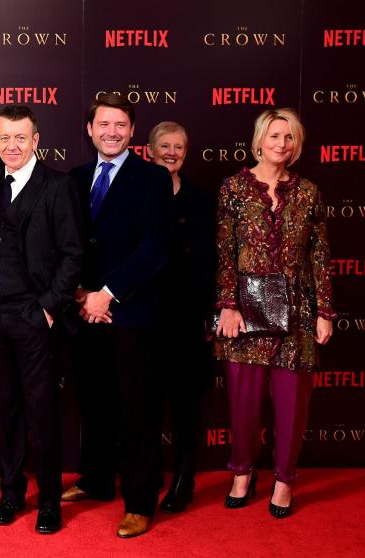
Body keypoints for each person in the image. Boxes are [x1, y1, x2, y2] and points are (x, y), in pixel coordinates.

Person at [215, 108, 334, 519]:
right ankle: (242, 474)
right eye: (274, 135)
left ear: (296, 143)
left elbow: (319, 256)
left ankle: (284, 480)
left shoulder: (309, 192)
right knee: (243, 401)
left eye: (289, 137)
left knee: (291, 402)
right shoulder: (233, 188)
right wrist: (228, 306)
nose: (281, 144)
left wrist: (325, 312)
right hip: (247, 307)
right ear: (259, 139)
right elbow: (225, 253)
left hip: (299, 309)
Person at [63, 93, 172, 538]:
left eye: (120, 125)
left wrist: (107, 294)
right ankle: (96, 478)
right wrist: (79, 295)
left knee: (137, 409)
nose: (111, 131)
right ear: (89, 129)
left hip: (130, 312)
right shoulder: (75, 177)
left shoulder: (152, 178)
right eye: (103, 124)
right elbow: (63, 242)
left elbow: (155, 248)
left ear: (132, 132)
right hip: (82, 310)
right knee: (93, 401)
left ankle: (141, 501)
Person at [0, 105, 85, 534]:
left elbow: (73, 253)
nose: (12, 146)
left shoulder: (57, 187)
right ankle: (11, 493)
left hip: (32, 315)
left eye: (20, 137)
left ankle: (48, 503)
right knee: (5, 410)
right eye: (4, 138)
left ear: (37, 140)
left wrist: (46, 308)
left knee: (41, 412)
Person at [147, 121, 216, 514]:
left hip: (188, 318)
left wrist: (210, 311)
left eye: (179, 147)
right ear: (150, 150)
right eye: (165, 146)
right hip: (146, 317)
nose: (172, 153)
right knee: (146, 403)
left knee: (186, 406)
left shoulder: (201, 200)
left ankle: (184, 479)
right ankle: (150, 475)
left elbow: (211, 261)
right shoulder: (138, 191)